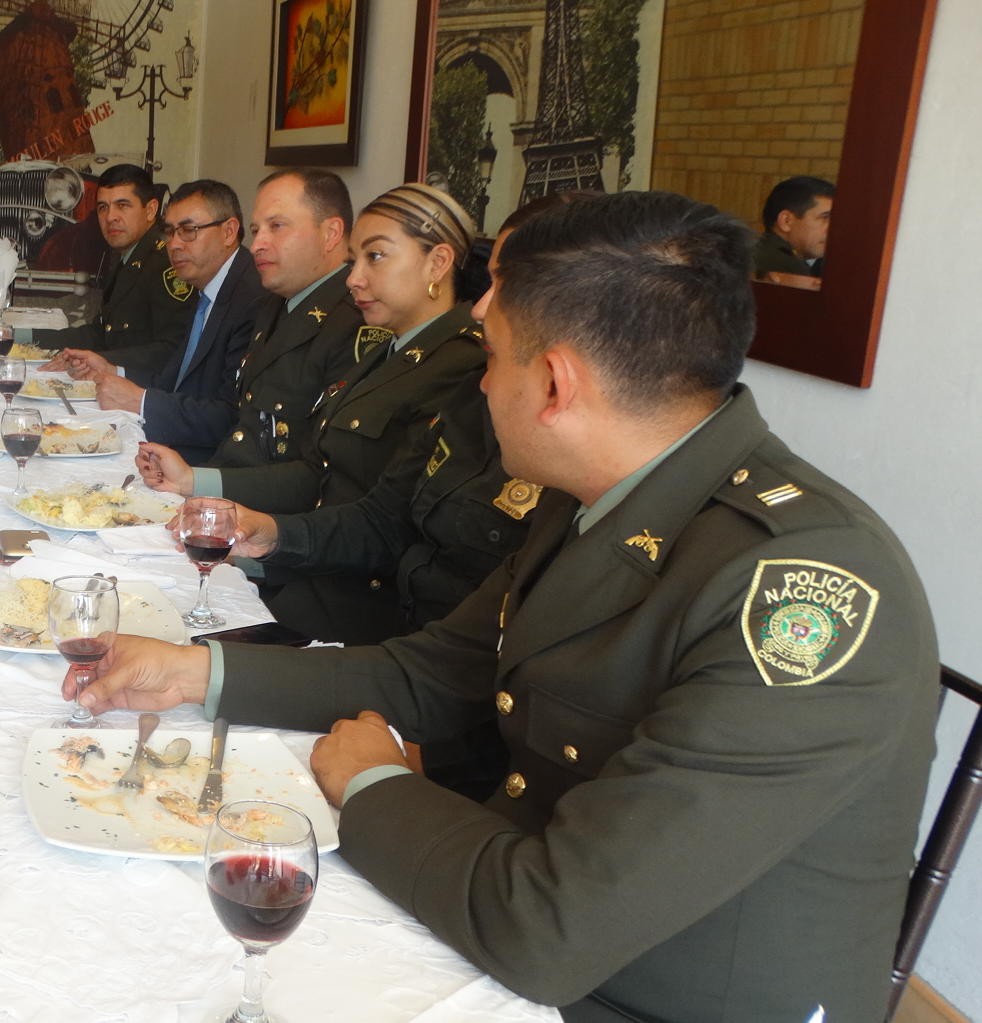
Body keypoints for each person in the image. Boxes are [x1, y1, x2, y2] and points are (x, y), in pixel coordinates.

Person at [76, 190, 939, 1023]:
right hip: (503, 900)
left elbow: (551, 928)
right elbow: (433, 671)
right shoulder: (601, 491)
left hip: (610, 991)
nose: (482, 386)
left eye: (490, 358)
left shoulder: (804, 589)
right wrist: (193, 671)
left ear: (556, 387)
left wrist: (372, 784)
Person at [219, 192, 597, 797]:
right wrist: (269, 536)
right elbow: (386, 517)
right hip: (408, 676)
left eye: (507, 283)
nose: (482, 304)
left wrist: (411, 764)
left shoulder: (471, 376)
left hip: (417, 695)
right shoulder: (468, 385)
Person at [142, 184, 488, 643]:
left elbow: (385, 527)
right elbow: (319, 470)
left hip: (350, 610)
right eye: (355, 259)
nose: (354, 278)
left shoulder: (458, 366)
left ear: (438, 262)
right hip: (301, 569)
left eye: (375, 257)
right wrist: (234, 516)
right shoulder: (388, 351)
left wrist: (269, 539)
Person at [139, 168, 365, 480]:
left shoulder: (353, 324)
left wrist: (198, 482)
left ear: (331, 233)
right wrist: (194, 478)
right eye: (257, 230)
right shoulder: (275, 305)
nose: (257, 244)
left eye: (277, 226)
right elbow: (243, 430)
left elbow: (319, 477)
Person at [54, 179, 268, 463]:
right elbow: (176, 381)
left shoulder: (251, 298)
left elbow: (233, 418)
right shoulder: (208, 285)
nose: (174, 244)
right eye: (169, 232)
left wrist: (140, 401)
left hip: (205, 464)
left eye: (188, 231)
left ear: (229, 232)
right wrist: (112, 369)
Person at [23, 163, 191, 378]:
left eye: (123, 205)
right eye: (103, 207)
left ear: (150, 210)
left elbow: (172, 350)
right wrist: (21, 337)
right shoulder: (128, 258)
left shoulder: (166, 263)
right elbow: (99, 335)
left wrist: (97, 362)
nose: (110, 217)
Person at [752, 174, 833, 286]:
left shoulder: (760, 253)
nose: (833, 228)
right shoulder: (785, 264)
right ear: (786, 221)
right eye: (825, 217)